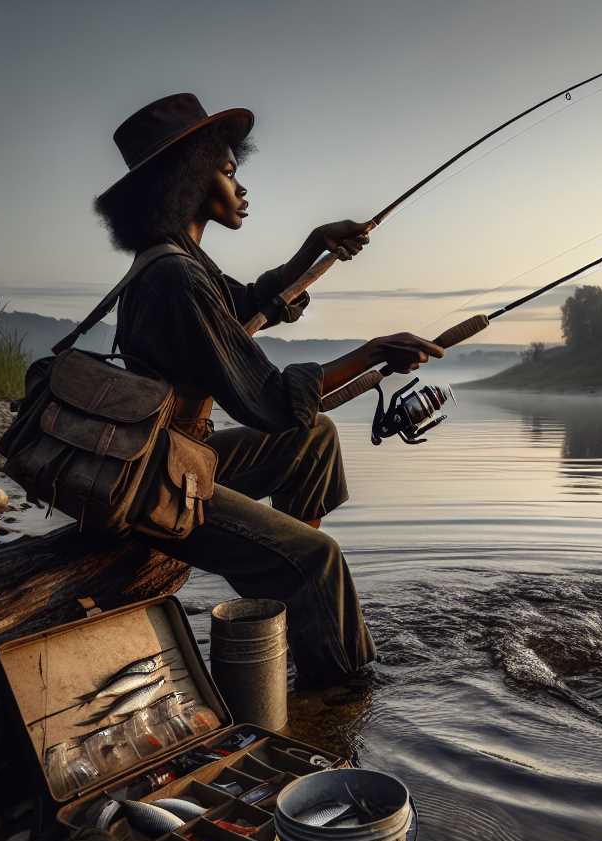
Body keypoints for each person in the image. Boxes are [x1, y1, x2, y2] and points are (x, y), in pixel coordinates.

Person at [93, 93, 443, 686]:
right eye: (229, 173)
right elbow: (275, 402)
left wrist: (312, 248)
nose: (242, 188)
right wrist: (375, 352)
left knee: (317, 437)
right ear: (190, 178)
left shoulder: (176, 260)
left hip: (178, 458)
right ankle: (345, 693)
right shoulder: (177, 278)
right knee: (318, 559)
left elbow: (247, 303)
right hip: (155, 483)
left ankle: (285, 591)